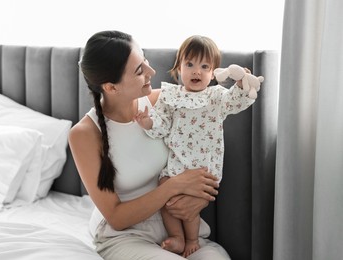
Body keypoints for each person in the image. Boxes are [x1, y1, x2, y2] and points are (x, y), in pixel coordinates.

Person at [69, 30, 231, 260]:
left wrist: (199, 199)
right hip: (125, 234)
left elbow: (206, 148)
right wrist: (173, 186)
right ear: (111, 87)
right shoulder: (84, 134)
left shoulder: (167, 102)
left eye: (144, 59)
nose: (151, 71)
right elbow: (116, 217)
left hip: (178, 227)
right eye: (139, 70)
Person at [134, 35, 256, 257]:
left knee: (189, 206)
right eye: (189, 64)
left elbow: (236, 102)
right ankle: (178, 238)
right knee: (164, 195)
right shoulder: (170, 97)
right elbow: (161, 124)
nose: (196, 71)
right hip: (176, 165)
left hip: (203, 169)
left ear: (213, 72)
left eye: (204, 66)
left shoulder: (216, 97)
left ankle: (191, 238)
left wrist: (241, 83)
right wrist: (147, 121)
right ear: (178, 68)